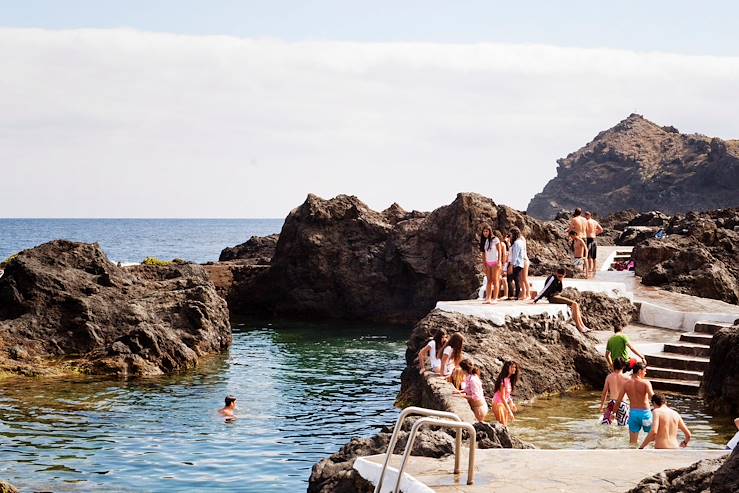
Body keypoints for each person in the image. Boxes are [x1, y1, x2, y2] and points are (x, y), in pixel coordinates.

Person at [532, 268, 591, 333]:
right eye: (559, 276)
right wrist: (536, 299)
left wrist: (560, 280)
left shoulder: (558, 280)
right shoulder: (552, 278)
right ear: (556, 273)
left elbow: (559, 290)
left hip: (557, 295)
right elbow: (545, 289)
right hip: (552, 297)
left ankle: (582, 325)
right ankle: (579, 326)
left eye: (562, 276)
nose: (560, 277)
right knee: (574, 304)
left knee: (576, 304)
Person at [612, 363, 654, 446]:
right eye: (645, 371)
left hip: (633, 414)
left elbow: (618, 401)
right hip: (645, 414)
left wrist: (613, 412)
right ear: (639, 371)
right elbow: (653, 398)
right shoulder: (645, 383)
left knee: (633, 443)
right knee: (652, 438)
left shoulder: (626, 384)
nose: (645, 373)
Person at [599, 358, 630, 426]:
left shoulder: (609, 377)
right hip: (623, 404)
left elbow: (604, 393)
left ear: (613, 365)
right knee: (623, 427)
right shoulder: (627, 378)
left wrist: (601, 406)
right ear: (624, 366)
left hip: (612, 404)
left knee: (607, 425)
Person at [479, 225, 503, 304]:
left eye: (487, 231)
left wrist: (499, 261)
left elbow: (499, 251)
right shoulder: (484, 241)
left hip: (495, 262)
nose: (485, 233)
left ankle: (495, 298)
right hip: (488, 263)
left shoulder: (495, 239)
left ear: (490, 231)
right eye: (484, 231)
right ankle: (488, 298)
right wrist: (484, 264)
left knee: (495, 280)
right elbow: (483, 253)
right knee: (489, 281)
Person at [490, 360, 518, 426]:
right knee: (502, 425)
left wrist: (512, 403)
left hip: (504, 404)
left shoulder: (509, 380)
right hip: (498, 404)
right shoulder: (502, 380)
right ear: (507, 368)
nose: (514, 369)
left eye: (515, 367)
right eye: (512, 367)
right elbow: (502, 397)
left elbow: (507, 395)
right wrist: (510, 411)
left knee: (505, 426)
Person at [508, 228, 527, 300]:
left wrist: (511, 265)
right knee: (516, 279)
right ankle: (515, 295)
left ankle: (516, 296)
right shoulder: (521, 242)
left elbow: (515, 255)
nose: (510, 236)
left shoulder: (516, 243)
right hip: (520, 263)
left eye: (511, 234)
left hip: (516, 264)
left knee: (516, 279)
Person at [584, 211, 603, 276]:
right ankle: (594, 268)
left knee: (588, 255)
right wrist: (595, 233)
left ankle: (589, 268)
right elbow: (601, 229)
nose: (584, 216)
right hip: (594, 239)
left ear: (587, 215)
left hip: (588, 239)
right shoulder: (595, 222)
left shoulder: (586, 222)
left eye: (585, 215)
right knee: (594, 256)